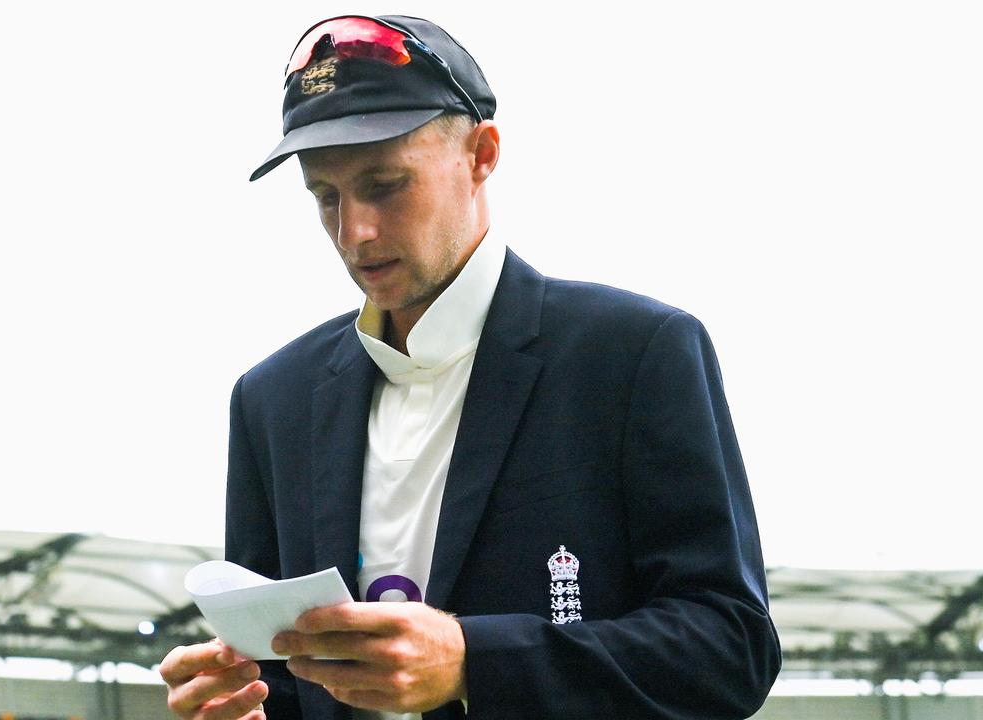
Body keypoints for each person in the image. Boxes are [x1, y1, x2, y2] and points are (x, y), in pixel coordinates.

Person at [160, 14, 781, 720]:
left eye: (386, 185)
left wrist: (470, 664)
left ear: (482, 154)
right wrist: (242, 705)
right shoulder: (272, 400)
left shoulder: (634, 354)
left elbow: (731, 647)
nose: (354, 232)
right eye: (325, 196)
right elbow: (286, 683)